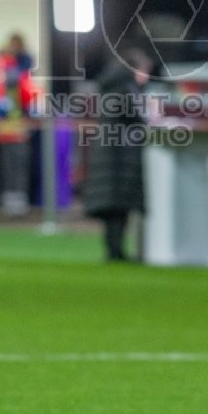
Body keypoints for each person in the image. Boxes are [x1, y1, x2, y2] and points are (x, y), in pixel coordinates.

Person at [83, 48, 153, 262]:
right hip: (119, 155)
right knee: (117, 207)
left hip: (109, 153)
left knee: (112, 208)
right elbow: (137, 118)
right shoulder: (125, 87)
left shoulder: (111, 84)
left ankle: (115, 251)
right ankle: (116, 252)